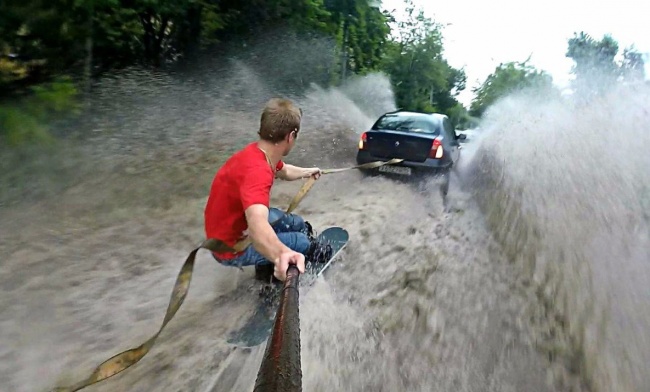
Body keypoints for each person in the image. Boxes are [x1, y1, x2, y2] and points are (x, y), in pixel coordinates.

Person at [204, 98, 333, 282]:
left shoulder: (258, 153)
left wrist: (310, 172)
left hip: (233, 226)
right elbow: (257, 226)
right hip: (231, 247)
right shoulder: (258, 172)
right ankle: (276, 274)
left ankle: (271, 258)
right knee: (302, 242)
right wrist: (282, 254)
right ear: (290, 136)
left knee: (297, 224)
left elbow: (285, 170)